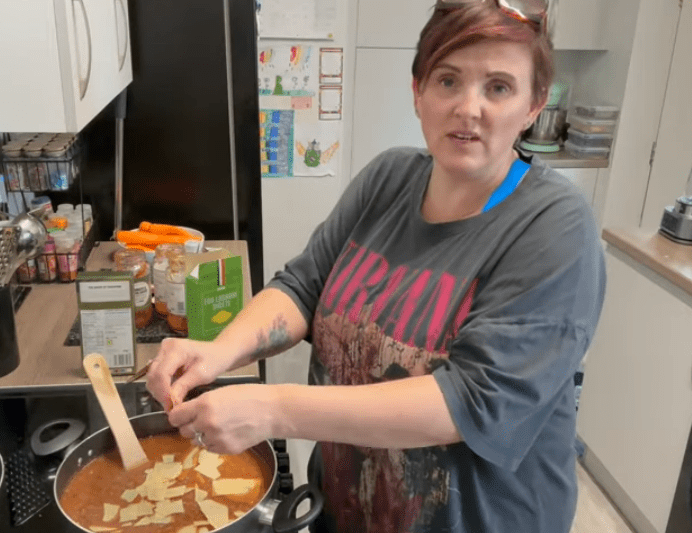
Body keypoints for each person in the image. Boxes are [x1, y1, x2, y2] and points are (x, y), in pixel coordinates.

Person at [146, 0, 606, 531]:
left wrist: (275, 408)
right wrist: (215, 353)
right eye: (448, 80)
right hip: (347, 511)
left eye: (498, 87)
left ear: (533, 105)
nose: (468, 107)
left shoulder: (556, 228)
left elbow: (471, 403)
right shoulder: (387, 179)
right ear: (418, 91)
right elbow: (302, 287)